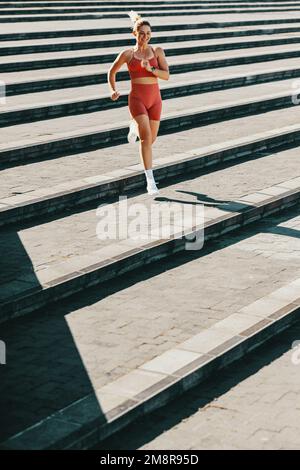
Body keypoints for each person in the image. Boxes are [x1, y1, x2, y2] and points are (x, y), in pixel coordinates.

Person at [107, 10, 170, 195]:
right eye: (142, 33)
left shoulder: (157, 51)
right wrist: (112, 90)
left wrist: (150, 68)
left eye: (148, 34)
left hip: (155, 100)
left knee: (151, 140)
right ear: (134, 34)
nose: (145, 37)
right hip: (137, 99)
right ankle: (150, 180)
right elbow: (111, 72)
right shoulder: (127, 54)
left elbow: (166, 75)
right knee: (145, 139)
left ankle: (134, 126)